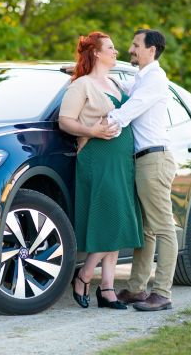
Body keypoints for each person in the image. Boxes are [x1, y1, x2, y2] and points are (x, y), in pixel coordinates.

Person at [59, 31, 143, 309]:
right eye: (111, 48)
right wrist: (91, 131)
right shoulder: (81, 85)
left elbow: (147, 85)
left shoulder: (116, 82)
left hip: (120, 162)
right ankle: (84, 274)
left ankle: (107, 289)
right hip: (97, 158)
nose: (116, 51)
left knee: (117, 219)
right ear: (96, 53)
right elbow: (65, 121)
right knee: (113, 219)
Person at [104, 29, 178, 311]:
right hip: (142, 161)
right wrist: (98, 78)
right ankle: (136, 289)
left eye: (136, 45)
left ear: (152, 49)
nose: (130, 49)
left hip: (154, 161)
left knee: (162, 227)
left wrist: (104, 123)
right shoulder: (141, 78)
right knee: (145, 230)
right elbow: (125, 91)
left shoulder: (155, 79)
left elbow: (131, 107)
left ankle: (162, 293)